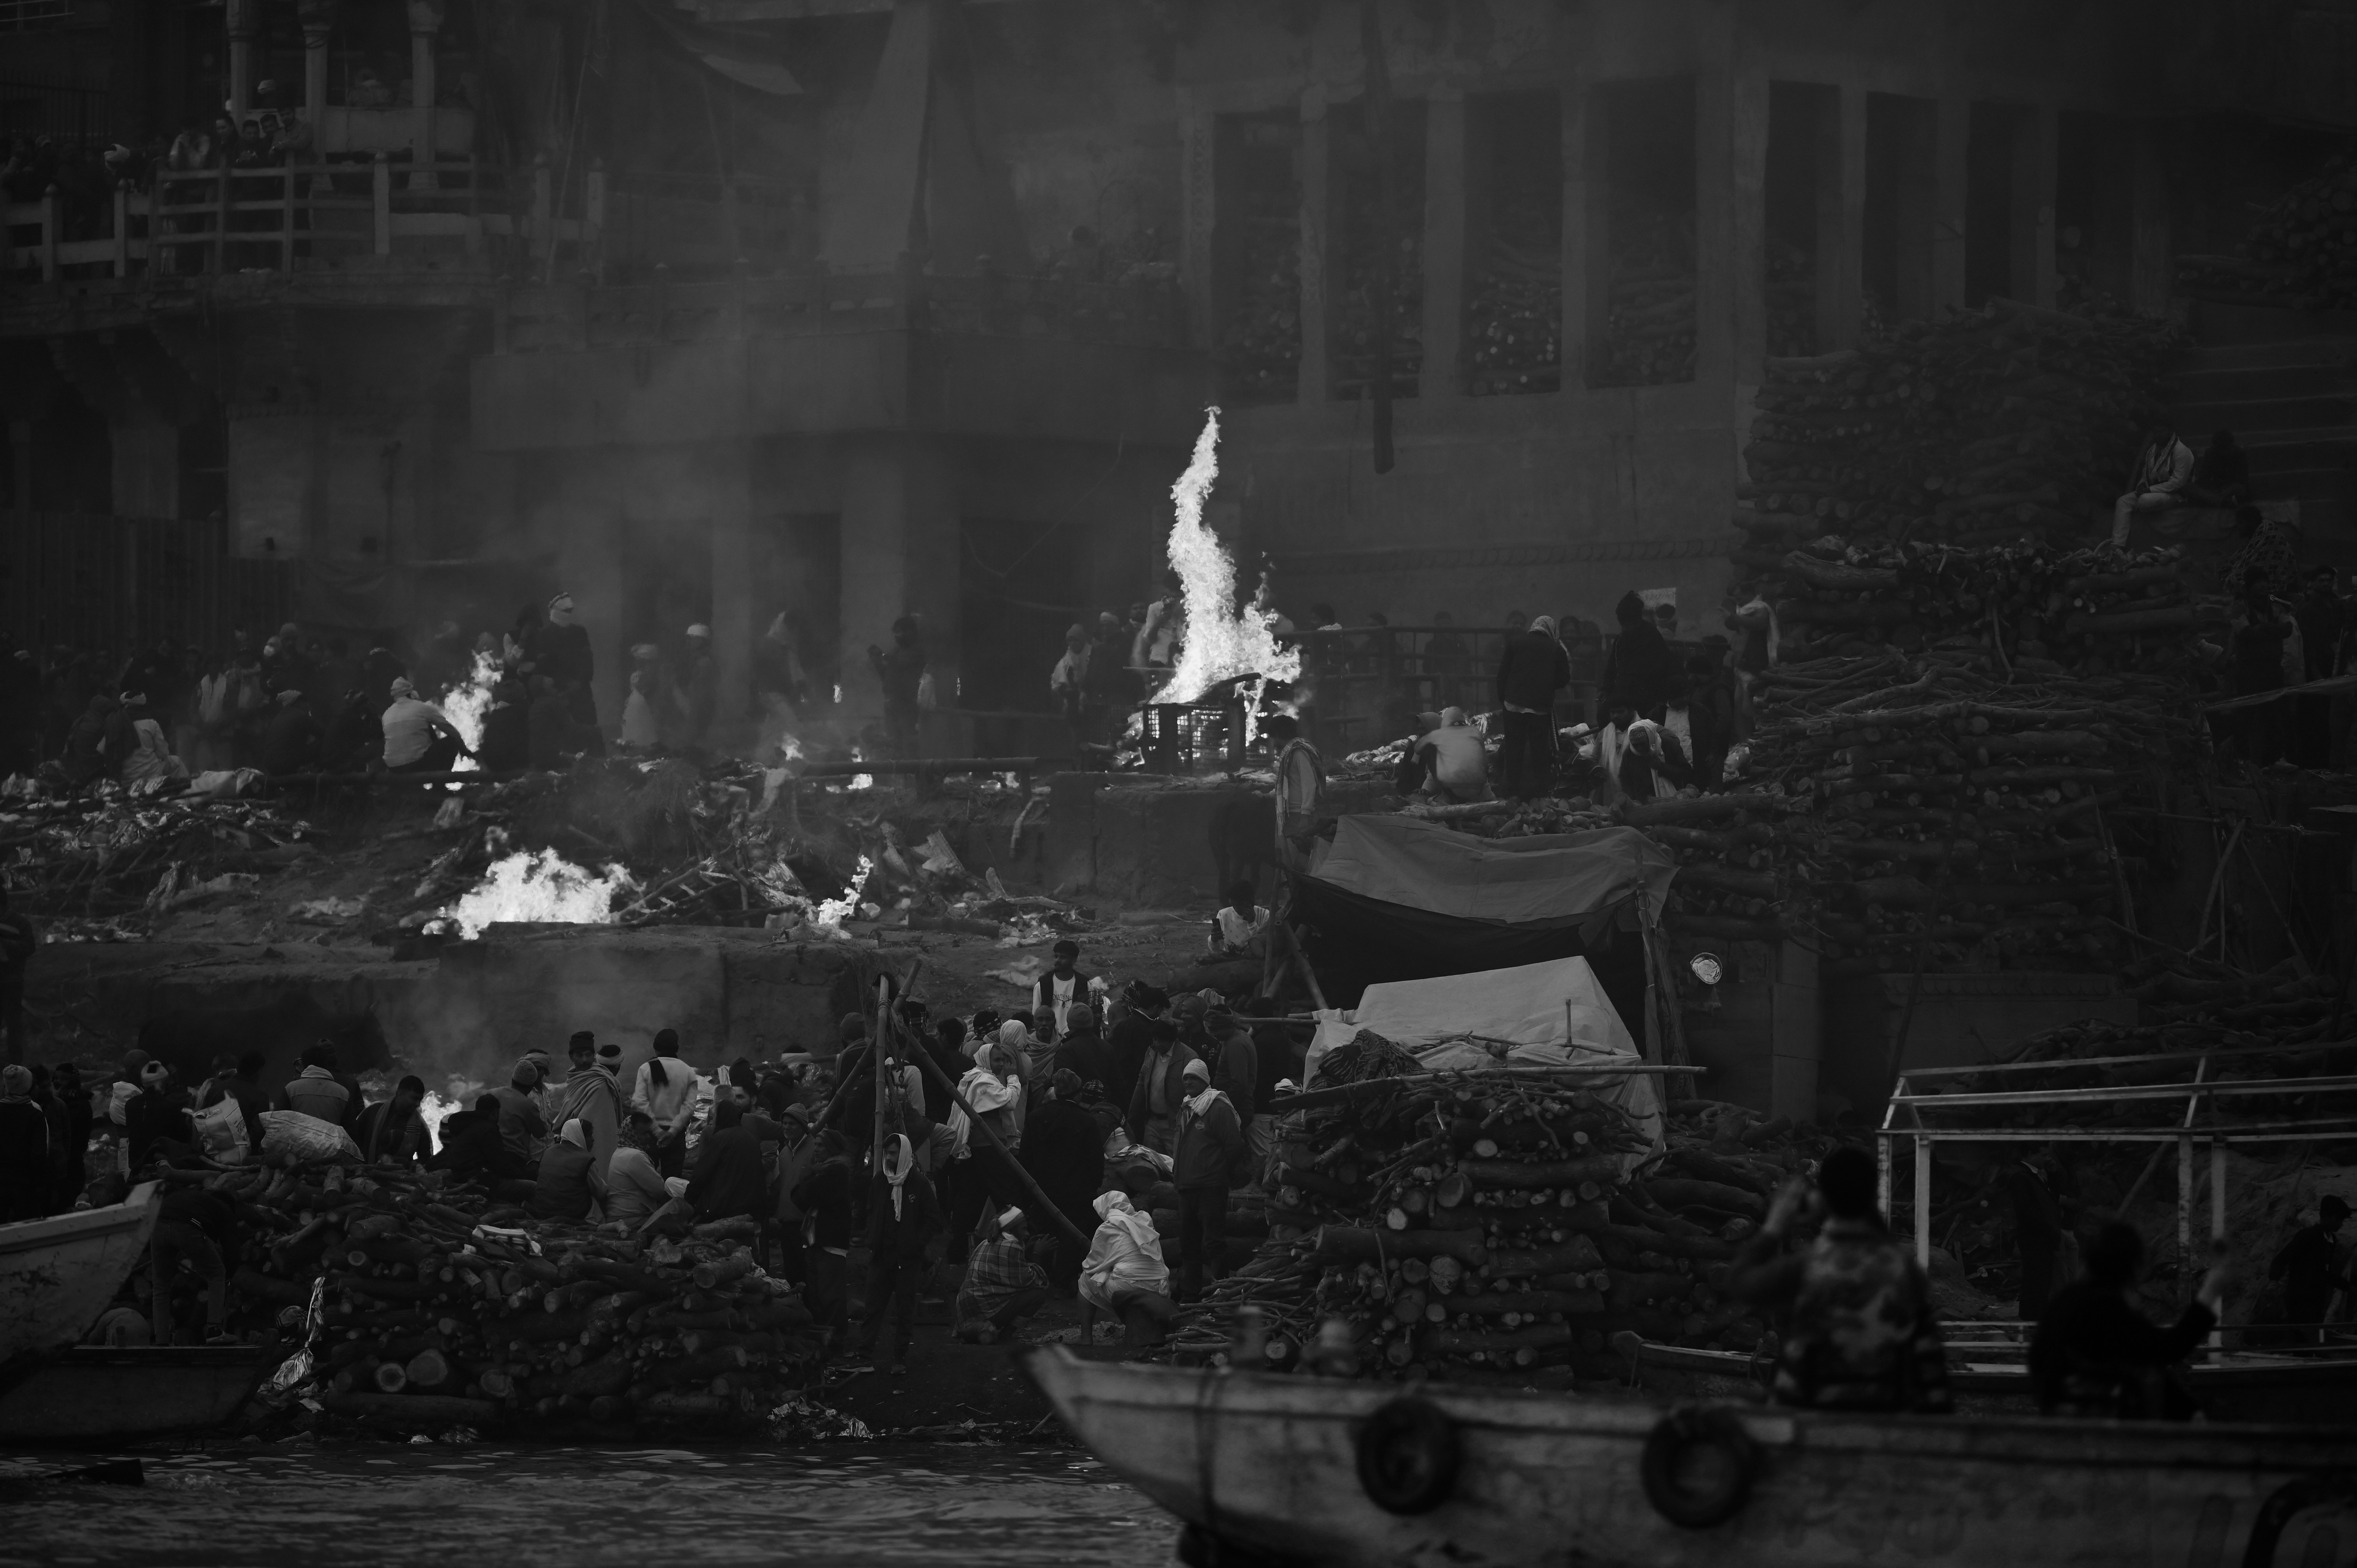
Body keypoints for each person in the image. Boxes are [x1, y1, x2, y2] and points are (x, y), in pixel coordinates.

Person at [1730, 1145, 1952, 1413]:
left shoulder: (1807, 1267)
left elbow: (1739, 1283)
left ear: (1822, 1199)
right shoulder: (1904, 1268)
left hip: (1811, 1426)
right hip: (1887, 1427)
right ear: (1873, 1195)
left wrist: (1774, 1228)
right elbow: (1931, 1373)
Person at [2030, 1221, 2229, 1419]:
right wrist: (2211, 1290)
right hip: (2096, 1423)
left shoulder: (2064, 1302)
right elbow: (2170, 1349)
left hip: (2058, 1415)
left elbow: (2038, 1360)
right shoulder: (2109, 1309)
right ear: (2132, 1269)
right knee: (2158, 1381)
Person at [857, 1132, 940, 1375]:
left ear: (903, 1154)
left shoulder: (919, 1184)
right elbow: (871, 1211)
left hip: (907, 1260)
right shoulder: (880, 1181)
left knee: (905, 1309)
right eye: (887, 1153)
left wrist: (916, 1244)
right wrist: (872, 1237)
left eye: (894, 1153)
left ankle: (899, 1358)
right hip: (882, 1256)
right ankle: (864, 1356)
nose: (889, 1157)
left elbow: (933, 1219)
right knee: (873, 1307)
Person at [1018, 1069, 1104, 1288]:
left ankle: (1040, 1280)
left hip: (1042, 1191)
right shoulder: (1087, 1121)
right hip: (1076, 1194)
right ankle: (1065, 1285)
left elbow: (1025, 1157)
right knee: (1071, 1240)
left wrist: (1031, 1189)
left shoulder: (1036, 1117)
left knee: (1044, 1237)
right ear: (1078, 1094)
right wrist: (1089, 1189)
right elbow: (1095, 1163)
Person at [1172, 1056, 1243, 1301]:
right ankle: (1190, 1292)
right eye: (1186, 1078)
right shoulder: (1187, 1108)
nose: (1189, 1082)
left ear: (1205, 1080)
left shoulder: (1217, 1107)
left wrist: (1218, 1172)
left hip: (1210, 1187)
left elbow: (1234, 1146)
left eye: (1194, 1077)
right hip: (1187, 1187)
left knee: (1213, 1242)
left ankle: (1220, 1292)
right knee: (1188, 1242)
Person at [1079, 1171, 1176, 1347]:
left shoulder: (1108, 1227)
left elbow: (1091, 1265)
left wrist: (1105, 1269)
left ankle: (1086, 1337)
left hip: (1131, 1285)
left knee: (1085, 1281)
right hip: (1161, 1286)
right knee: (1116, 1273)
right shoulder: (1143, 1222)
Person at [792, 1129, 856, 1351]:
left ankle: (835, 1338)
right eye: (816, 1145)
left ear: (831, 1148)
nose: (816, 1149)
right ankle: (824, 1336)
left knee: (830, 1294)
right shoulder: (822, 1172)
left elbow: (809, 1194)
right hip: (815, 1240)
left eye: (820, 1145)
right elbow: (800, 1196)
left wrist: (806, 1184)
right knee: (817, 1292)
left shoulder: (837, 1171)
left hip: (830, 1240)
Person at [1495, 616, 1571, 801]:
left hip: (1513, 705)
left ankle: (1513, 793)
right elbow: (1564, 679)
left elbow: (1503, 673)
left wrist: (1503, 698)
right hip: (1540, 708)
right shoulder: (1556, 649)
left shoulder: (1516, 643)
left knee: (1514, 748)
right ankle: (1542, 793)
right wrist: (1545, 684)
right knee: (1540, 750)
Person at [149, 1185, 236, 1343]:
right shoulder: (225, 1210)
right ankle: (214, 1331)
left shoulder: (194, 1198)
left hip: (157, 1225)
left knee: (161, 1287)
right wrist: (230, 1275)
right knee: (217, 1274)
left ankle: (161, 1341)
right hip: (188, 1226)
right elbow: (231, 1250)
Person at [956, 1207, 1051, 1343]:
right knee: (1038, 1295)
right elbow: (1032, 1282)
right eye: (1024, 1229)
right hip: (983, 1308)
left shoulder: (985, 1242)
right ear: (1012, 1230)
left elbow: (1010, 1276)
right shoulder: (1011, 1247)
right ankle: (1005, 1335)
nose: (1027, 1234)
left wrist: (1027, 1251)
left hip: (967, 1311)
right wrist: (1037, 1254)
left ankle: (979, 1330)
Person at [2269, 1194, 2351, 1336]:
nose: (2341, 1224)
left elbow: (2326, 1273)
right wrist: (2273, 1282)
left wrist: (2349, 1287)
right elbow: (2281, 1259)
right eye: (2339, 1220)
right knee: (2301, 1343)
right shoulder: (2306, 1237)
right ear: (2326, 1216)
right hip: (2299, 1302)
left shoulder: (2331, 1242)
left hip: (2315, 1303)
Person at [2111, 425, 2195, 547]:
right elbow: (2147, 475)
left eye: (2161, 431)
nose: (2158, 435)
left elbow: (2178, 483)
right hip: (2152, 493)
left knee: (2145, 500)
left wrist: (2150, 490)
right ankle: (2118, 545)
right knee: (2123, 501)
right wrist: (2142, 485)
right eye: (2155, 432)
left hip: (2175, 496)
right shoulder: (2153, 451)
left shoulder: (2181, 451)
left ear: (2170, 432)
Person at [1599, 590, 1676, 723]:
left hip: (1646, 696)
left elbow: (1661, 670)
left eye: (1628, 624)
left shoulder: (1652, 637)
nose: (1626, 628)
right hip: (1624, 694)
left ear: (1636, 620)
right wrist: (1606, 689)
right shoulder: (1621, 640)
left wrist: (1659, 700)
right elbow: (1612, 667)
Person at [632, 1030, 700, 1179]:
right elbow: (689, 1107)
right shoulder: (688, 1071)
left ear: (656, 1048)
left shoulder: (646, 1069)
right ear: (677, 1048)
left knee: (646, 1182)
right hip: (676, 1138)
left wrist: (657, 1132)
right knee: (672, 1183)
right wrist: (672, 1132)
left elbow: (640, 1103)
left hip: (649, 1135)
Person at [687, 1097, 767, 1222]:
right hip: (751, 1206)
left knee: (671, 1183)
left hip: (724, 1207)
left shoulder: (721, 1138)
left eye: (713, 1118)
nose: (711, 1123)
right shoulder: (749, 1137)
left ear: (721, 1118)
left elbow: (701, 1174)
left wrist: (689, 1200)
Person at [550, 1033, 625, 1162]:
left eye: (588, 1055)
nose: (585, 1060)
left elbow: (586, 1120)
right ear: (571, 1057)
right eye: (579, 1056)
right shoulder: (575, 1078)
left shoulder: (601, 1084)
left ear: (594, 1056)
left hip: (591, 1141)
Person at [1127, 1017, 1196, 1156]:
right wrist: (1133, 1114)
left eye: (1158, 1040)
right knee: (1152, 1162)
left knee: (1175, 1165)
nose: (1154, 1043)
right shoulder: (1152, 1052)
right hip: (1152, 1122)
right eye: (1154, 1039)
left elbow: (1195, 1094)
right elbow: (1142, 1081)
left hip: (1174, 1125)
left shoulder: (1188, 1057)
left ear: (1168, 1040)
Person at [1267, 713, 1325, 871]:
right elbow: (1289, 786)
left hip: (1298, 815)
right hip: (1287, 815)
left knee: (1297, 863)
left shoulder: (1299, 753)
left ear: (1278, 735)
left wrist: (1305, 814)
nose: (1273, 742)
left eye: (1273, 737)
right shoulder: (1290, 753)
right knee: (1287, 862)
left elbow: (1309, 783)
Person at [380, 677, 470, 774]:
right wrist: (464, 750)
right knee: (452, 741)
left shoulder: (387, 714)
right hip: (417, 765)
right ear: (410, 693)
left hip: (394, 768)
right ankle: (439, 786)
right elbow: (451, 731)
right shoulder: (421, 707)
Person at [868, 615, 926, 758]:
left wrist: (884, 658)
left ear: (911, 632)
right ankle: (897, 776)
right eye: (896, 632)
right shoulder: (897, 651)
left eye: (901, 632)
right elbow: (887, 677)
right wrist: (877, 661)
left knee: (909, 742)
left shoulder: (916, 651)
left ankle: (912, 774)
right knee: (893, 743)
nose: (897, 636)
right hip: (892, 703)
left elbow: (899, 666)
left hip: (908, 704)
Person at [604, 1112, 674, 1232]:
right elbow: (659, 1190)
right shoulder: (634, 1156)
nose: (648, 1137)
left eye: (649, 1133)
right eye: (644, 1134)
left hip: (620, 1216)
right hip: (632, 1219)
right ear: (632, 1134)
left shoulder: (620, 1152)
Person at [1401, 705, 1487, 802]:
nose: (1421, 732)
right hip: (1478, 790)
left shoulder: (1440, 738)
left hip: (1452, 792)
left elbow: (1419, 751)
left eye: (1423, 728)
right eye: (1419, 729)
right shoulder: (1476, 733)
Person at [528, 1118, 606, 1222]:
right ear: (580, 1136)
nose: (593, 1140)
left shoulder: (548, 1152)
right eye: (590, 1135)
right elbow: (601, 1193)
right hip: (572, 1216)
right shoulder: (586, 1160)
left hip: (542, 1212)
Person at [0, 1063, 48, 1220]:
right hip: (25, 1186)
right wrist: (41, 1184)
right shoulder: (35, 1115)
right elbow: (39, 1153)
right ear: (28, 1087)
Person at [352, 1075, 429, 1165]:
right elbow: (354, 1139)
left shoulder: (420, 1125)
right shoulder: (373, 1111)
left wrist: (409, 1165)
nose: (418, 1104)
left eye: (420, 1100)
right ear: (400, 1094)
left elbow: (426, 1158)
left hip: (400, 1177)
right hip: (364, 1173)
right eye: (415, 1098)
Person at [0, 885, 38, 1064]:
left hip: (11, 981)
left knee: (13, 1026)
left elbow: (30, 948)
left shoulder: (20, 923)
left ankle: (16, 1066)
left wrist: (7, 945)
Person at [492, 1057, 550, 1171]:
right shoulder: (527, 1104)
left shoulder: (493, 1093)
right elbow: (540, 1132)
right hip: (516, 1160)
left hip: (492, 1153)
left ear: (513, 1078)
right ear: (531, 1086)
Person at [1033, 939, 1091, 1035]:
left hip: (1074, 1038)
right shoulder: (1043, 984)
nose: (1057, 960)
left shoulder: (1084, 984)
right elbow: (1036, 1014)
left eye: (1063, 957)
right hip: (1049, 1039)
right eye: (1056, 957)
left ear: (1074, 960)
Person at [283, 1044, 352, 1126]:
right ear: (326, 1064)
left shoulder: (290, 1090)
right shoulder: (343, 1093)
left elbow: (279, 1124)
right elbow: (350, 1131)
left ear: (304, 1065)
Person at [1205, 881, 1270, 963]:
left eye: (1240, 905)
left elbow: (1264, 946)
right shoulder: (1224, 915)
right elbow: (1216, 949)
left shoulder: (1264, 915)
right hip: (1229, 962)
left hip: (1256, 963)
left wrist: (1252, 923)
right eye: (1233, 905)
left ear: (1251, 901)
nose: (1236, 909)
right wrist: (1214, 940)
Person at [2184, 429, 2251, 509]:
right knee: (2187, 487)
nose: (2223, 452)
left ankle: (2215, 501)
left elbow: (2242, 480)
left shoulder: (2240, 454)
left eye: (2225, 448)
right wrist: (2213, 489)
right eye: (2220, 448)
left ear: (2231, 445)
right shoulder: (2211, 453)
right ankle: (2222, 502)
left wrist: (2225, 491)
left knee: (2239, 488)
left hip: (2231, 489)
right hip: (2214, 489)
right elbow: (2203, 478)